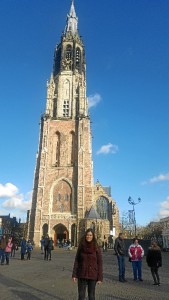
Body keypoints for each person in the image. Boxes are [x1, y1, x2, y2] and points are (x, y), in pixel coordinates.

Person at [72, 228, 103, 300]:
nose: (88, 236)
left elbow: (100, 263)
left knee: (91, 296)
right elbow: (77, 260)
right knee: (81, 296)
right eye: (87, 235)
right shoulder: (81, 246)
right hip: (82, 273)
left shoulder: (96, 247)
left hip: (93, 274)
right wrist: (74, 274)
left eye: (90, 235)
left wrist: (100, 278)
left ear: (93, 236)